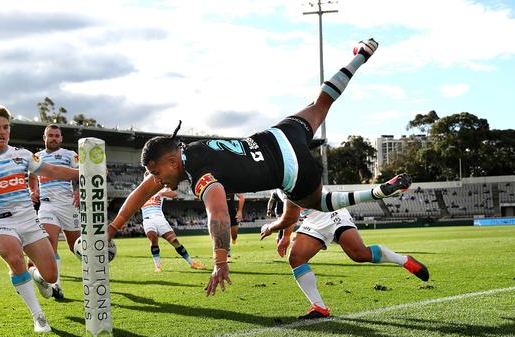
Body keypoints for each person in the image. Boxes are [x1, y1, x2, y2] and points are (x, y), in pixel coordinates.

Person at [107, 38, 412, 296]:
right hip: (279, 135)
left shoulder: (200, 173)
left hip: (291, 171)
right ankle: (360, 56)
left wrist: (221, 260)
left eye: (159, 173)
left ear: (172, 162)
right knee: (321, 103)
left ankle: (377, 191)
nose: (159, 181)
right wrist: (111, 229)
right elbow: (143, 189)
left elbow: (218, 214)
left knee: (318, 203)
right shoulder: (189, 152)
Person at [0, 105, 78, 333]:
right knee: (15, 258)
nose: (2, 132)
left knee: (51, 275)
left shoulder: (23, 155)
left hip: (28, 220)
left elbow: (53, 171)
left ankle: (37, 276)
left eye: (6, 127)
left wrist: (86, 172)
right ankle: (39, 318)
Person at [262, 190, 429, 319]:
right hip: (312, 222)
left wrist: (272, 229)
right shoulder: (278, 187)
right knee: (296, 258)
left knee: (359, 254)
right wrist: (285, 237)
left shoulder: (288, 176)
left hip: (332, 214)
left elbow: (290, 217)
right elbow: (290, 212)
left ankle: (404, 260)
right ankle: (319, 307)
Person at [28, 124, 81, 300]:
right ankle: (55, 285)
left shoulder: (70, 154)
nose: (54, 138)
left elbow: (84, 173)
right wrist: (33, 190)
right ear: (44, 138)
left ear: (61, 138)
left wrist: (80, 190)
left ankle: (94, 274)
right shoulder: (37, 157)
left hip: (68, 205)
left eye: (57, 135)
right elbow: (32, 176)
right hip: (47, 205)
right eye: (50, 135)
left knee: (77, 247)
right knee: (49, 243)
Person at [141, 172, 206, 272]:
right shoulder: (140, 192)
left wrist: (162, 194)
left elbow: (175, 194)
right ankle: (157, 266)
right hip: (148, 219)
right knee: (153, 238)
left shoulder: (160, 190)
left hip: (160, 218)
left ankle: (192, 263)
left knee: (174, 241)